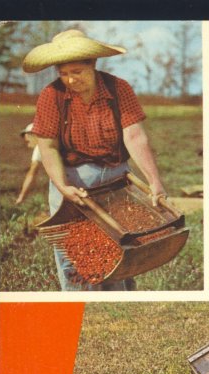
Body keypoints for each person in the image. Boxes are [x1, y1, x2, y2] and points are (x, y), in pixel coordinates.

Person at [22, 29, 168, 291]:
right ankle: (79, 306)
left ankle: (116, 308)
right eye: (63, 73)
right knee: (75, 258)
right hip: (72, 180)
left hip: (116, 180)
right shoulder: (51, 95)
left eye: (77, 71)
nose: (70, 79)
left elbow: (134, 136)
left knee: (120, 251)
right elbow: (48, 146)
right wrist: (63, 186)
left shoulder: (118, 88)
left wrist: (154, 181)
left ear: (93, 64)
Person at [15, 123, 43, 205]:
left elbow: (32, 173)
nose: (28, 145)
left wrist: (21, 197)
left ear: (34, 135)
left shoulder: (40, 146)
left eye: (28, 141)